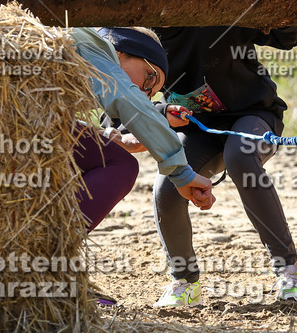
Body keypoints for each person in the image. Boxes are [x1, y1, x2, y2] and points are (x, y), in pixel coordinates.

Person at [149, 26, 297, 306]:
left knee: (241, 157)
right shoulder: (141, 32)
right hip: (195, 127)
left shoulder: (219, 8)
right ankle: (184, 282)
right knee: (167, 186)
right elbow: (119, 107)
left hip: (254, 114)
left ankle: (290, 271)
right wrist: (162, 111)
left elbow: (287, 37)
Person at [69, 27, 215, 235]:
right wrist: (181, 173)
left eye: (150, 95)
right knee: (122, 164)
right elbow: (126, 98)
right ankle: (50, 241)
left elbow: (55, 123)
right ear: (121, 52)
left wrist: (117, 140)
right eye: (150, 78)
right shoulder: (96, 49)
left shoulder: (81, 67)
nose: (143, 93)